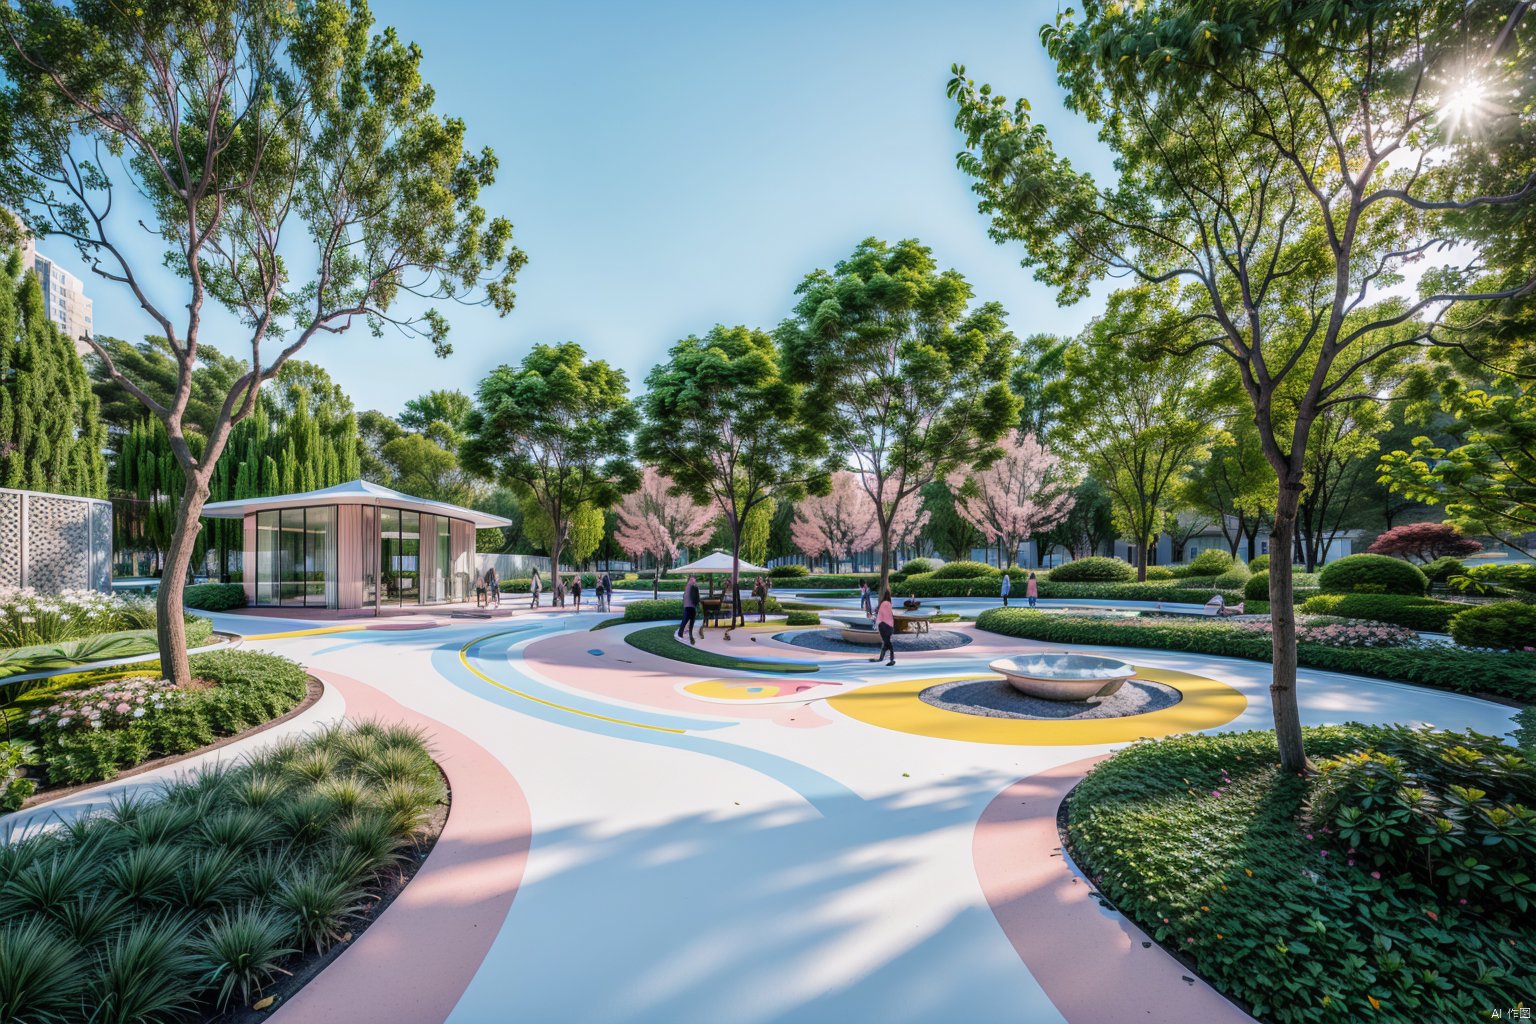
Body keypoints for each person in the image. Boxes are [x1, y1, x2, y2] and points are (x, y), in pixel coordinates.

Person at [869, 588, 896, 667]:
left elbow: (880, 615)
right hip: (890, 626)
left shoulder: (883, 603)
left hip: (883, 625)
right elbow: (890, 615)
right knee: (886, 642)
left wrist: (877, 624)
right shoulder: (890, 604)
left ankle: (892, 659)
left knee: (887, 642)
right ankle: (882, 658)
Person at [677, 575, 700, 645]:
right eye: (692, 579)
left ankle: (681, 634)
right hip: (691, 607)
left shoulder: (687, 586)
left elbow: (684, 596)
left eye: (693, 579)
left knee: (685, 621)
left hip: (687, 606)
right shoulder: (694, 587)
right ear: (690, 580)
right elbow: (697, 597)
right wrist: (696, 604)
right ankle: (690, 637)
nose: (693, 581)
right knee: (690, 622)